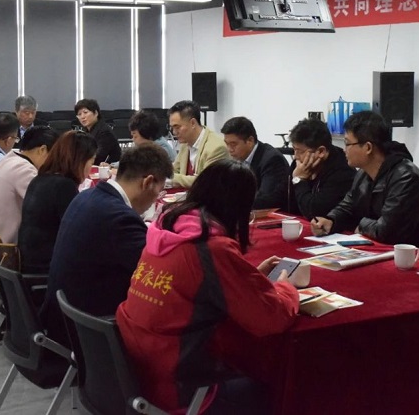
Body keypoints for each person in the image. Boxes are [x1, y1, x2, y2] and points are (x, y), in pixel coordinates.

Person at [116, 160, 303, 414]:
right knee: (276, 389)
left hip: (136, 371)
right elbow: (271, 317)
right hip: (180, 386)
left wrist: (248, 278)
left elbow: (198, 283)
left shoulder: (166, 229)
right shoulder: (209, 247)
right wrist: (285, 287)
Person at [41, 143, 173, 347]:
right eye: (159, 191)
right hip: (89, 332)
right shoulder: (120, 218)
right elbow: (155, 271)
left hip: (63, 318)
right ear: (147, 182)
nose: (156, 198)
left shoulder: (86, 196)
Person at [311, 111, 419, 252]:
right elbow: (347, 206)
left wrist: (360, 224)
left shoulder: (405, 177)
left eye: (347, 143)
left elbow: (387, 231)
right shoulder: (363, 173)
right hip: (388, 250)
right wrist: (331, 220)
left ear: (368, 148)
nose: (345, 150)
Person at [17, 131, 99, 275]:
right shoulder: (63, 186)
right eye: (91, 161)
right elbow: (79, 234)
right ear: (79, 160)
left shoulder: (40, 179)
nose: (90, 168)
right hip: (45, 272)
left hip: (30, 265)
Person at [0, 126, 59, 244]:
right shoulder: (23, 169)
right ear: (42, 150)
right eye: (54, 155)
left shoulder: (11, 159)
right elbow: (49, 205)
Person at [286, 117, 354, 219]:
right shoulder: (298, 165)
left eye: (300, 151)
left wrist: (299, 180)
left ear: (321, 151)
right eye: (294, 150)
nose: (296, 156)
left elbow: (315, 212)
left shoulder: (342, 171)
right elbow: (290, 208)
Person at [221, 116, 288, 210]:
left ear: (250, 141)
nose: (229, 149)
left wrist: (231, 204)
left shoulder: (272, 160)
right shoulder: (237, 158)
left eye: (233, 144)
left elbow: (266, 199)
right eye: (227, 144)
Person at [168, 100, 227, 188]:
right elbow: (173, 170)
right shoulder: (185, 143)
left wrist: (172, 178)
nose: (174, 132)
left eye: (177, 127)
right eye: (172, 128)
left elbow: (204, 182)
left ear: (193, 123)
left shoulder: (216, 147)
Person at [75, 98, 121, 164]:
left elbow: (99, 156)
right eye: (79, 114)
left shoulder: (104, 132)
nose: (82, 117)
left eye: (85, 112)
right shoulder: (86, 131)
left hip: (109, 168)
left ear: (96, 113)